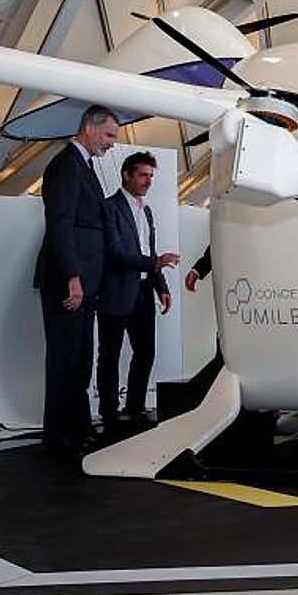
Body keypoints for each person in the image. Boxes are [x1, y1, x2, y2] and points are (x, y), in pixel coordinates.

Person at [34, 104, 119, 458]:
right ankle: (60, 436)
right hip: (68, 282)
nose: (112, 143)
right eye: (109, 135)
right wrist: (73, 276)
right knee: (66, 359)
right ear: (89, 127)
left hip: (85, 282)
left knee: (80, 358)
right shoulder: (66, 165)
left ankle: (77, 428)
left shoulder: (84, 166)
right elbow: (61, 224)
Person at [96, 152, 179, 428]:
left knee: (145, 352)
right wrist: (155, 262)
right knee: (110, 355)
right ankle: (109, 413)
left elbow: (148, 251)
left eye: (151, 176)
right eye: (143, 175)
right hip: (116, 292)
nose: (148, 181)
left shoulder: (147, 210)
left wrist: (161, 287)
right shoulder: (109, 208)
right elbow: (114, 252)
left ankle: (134, 408)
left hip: (144, 291)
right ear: (127, 175)